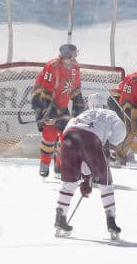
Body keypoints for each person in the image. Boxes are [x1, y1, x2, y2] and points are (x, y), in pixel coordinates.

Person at [53, 93, 127, 239]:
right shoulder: (110, 113)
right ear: (104, 104)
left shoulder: (83, 114)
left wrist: (85, 179)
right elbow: (121, 129)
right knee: (106, 184)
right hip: (91, 138)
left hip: (68, 138)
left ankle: (60, 217)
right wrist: (111, 147)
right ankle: (111, 221)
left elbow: (80, 153)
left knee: (68, 184)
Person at [31, 43, 85, 178]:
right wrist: (47, 112)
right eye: (73, 53)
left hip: (62, 105)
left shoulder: (75, 67)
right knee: (49, 134)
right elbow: (46, 91)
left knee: (66, 136)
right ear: (67, 54)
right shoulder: (53, 65)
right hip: (45, 102)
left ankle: (59, 165)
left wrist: (78, 108)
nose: (75, 56)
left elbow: (76, 89)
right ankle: (44, 164)